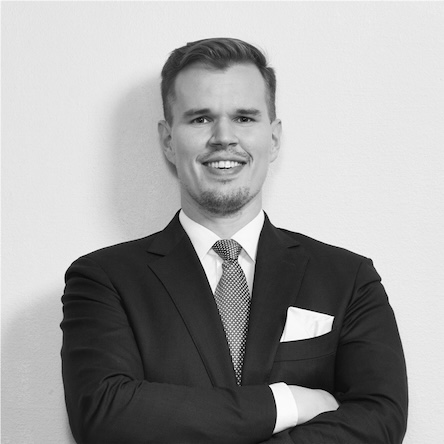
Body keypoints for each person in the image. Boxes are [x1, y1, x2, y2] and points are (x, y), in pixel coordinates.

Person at [61, 38, 408, 444]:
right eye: (200, 119)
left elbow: (380, 417)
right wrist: (285, 403)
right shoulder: (103, 280)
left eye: (244, 118)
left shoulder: (348, 278)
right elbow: (104, 413)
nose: (224, 137)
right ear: (168, 140)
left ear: (273, 138)